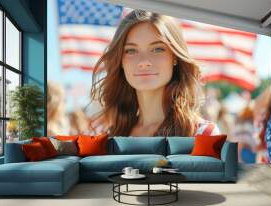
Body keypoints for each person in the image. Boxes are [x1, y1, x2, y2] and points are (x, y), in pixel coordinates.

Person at [89, 10, 219, 137]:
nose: (144, 62)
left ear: (175, 57)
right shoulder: (106, 138)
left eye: (157, 49)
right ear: (121, 61)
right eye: (131, 50)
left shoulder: (202, 135)